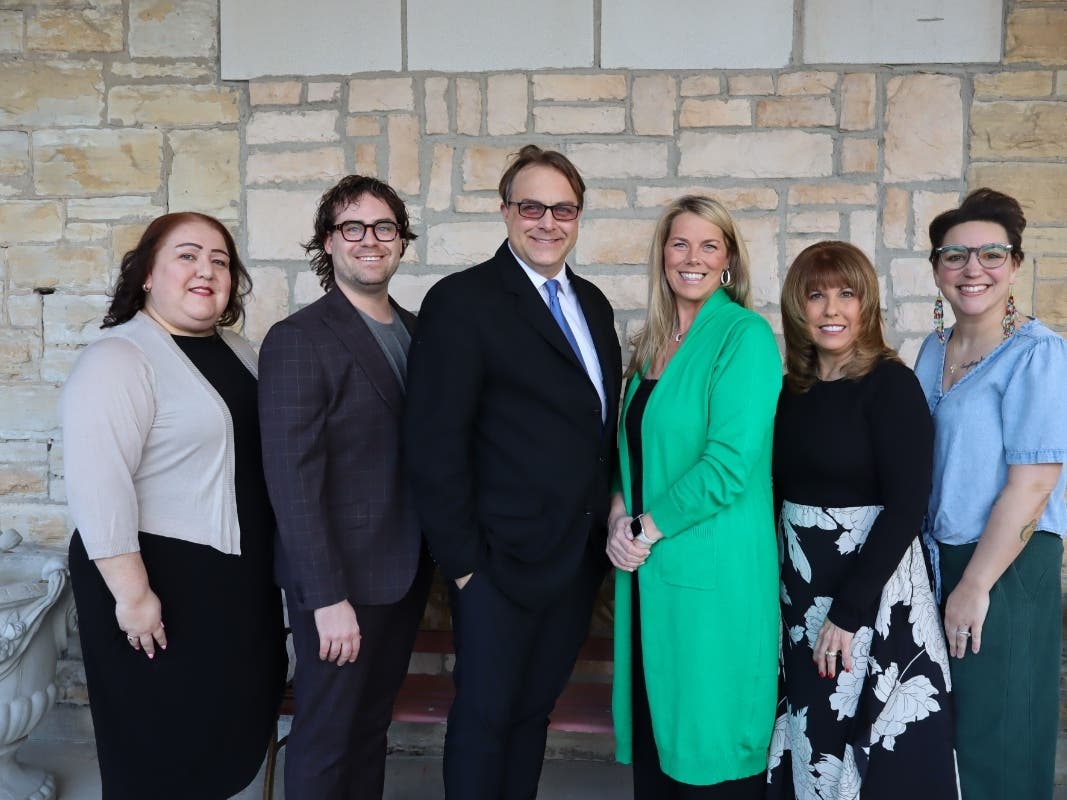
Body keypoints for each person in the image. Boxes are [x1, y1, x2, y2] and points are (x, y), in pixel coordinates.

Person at [404, 144, 622, 798]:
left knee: (532, 714)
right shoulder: (461, 301)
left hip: (574, 561)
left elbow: (597, 427)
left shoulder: (593, 304)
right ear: (505, 212)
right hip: (497, 563)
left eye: (563, 208)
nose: (547, 221)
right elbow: (432, 442)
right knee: (484, 717)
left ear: (578, 217)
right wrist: (465, 565)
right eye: (532, 207)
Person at [61, 212, 286, 799]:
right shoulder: (118, 358)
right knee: (160, 749)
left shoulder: (242, 352)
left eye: (219, 260)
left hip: (233, 583)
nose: (205, 270)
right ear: (147, 275)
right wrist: (134, 598)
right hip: (155, 585)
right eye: (187, 256)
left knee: (222, 739)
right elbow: (97, 485)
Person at [258, 175, 432, 800]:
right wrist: (326, 597)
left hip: (402, 575)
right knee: (328, 736)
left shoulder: (418, 330)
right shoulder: (300, 338)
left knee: (368, 729)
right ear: (327, 243)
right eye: (352, 228)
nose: (370, 240)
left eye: (384, 227)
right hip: (340, 587)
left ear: (401, 241)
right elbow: (291, 479)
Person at [765, 241, 958, 798]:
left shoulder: (890, 385)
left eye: (846, 294)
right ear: (796, 307)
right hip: (802, 593)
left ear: (866, 305)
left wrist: (848, 613)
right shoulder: (791, 391)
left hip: (874, 592)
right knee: (815, 737)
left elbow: (906, 507)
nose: (831, 310)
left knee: (877, 747)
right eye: (816, 295)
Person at [606, 195, 780, 799]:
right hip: (648, 575)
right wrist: (617, 517)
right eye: (680, 243)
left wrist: (645, 529)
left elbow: (730, 464)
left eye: (709, 245)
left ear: (728, 259)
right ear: (662, 255)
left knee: (709, 755)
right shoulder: (651, 343)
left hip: (712, 578)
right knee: (658, 751)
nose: (693, 258)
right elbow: (629, 455)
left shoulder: (744, 337)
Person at [914, 188, 1067, 800]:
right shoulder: (932, 349)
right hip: (936, 560)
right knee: (950, 735)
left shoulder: (1039, 355)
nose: (972, 269)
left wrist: (974, 586)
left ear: (1016, 266)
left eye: (990, 254)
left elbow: (1032, 484)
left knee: (1000, 737)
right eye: (955, 256)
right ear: (936, 269)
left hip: (1005, 565)